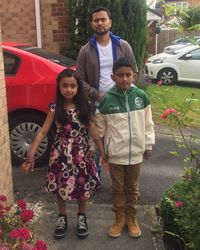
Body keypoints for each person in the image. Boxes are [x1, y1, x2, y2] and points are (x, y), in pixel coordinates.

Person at [21, 68, 108, 240]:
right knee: (62, 186)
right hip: (60, 154)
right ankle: (62, 217)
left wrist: (102, 153)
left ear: (78, 88)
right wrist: (30, 156)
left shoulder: (85, 108)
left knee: (82, 186)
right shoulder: (54, 108)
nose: (69, 89)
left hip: (81, 154)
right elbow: (41, 132)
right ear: (59, 87)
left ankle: (81, 217)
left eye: (72, 86)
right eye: (65, 86)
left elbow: (94, 132)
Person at [95, 58, 155, 238]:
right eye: (120, 75)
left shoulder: (141, 97)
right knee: (117, 187)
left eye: (128, 75)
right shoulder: (107, 100)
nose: (124, 79)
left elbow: (148, 124)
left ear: (134, 76)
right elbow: (99, 127)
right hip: (115, 155)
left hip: (136, 153)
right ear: (113, 77)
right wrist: (100, 150)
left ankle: (131, 217)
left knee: (132, 187)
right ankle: (119, 218)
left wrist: (148, 144)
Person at [76, 6, 138, 176]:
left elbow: (135, 72)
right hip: (97, 104)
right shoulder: (85, 51)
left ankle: (126, 180)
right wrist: (97, 94)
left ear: (110, 22)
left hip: (121, 103)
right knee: (96, 142)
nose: (100, 23)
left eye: (103, 19)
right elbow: (79, 80)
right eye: (96, 20)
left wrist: (125, 93)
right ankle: (94, 177)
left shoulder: (123, 46)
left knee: (124, 140)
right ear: (92, 24)